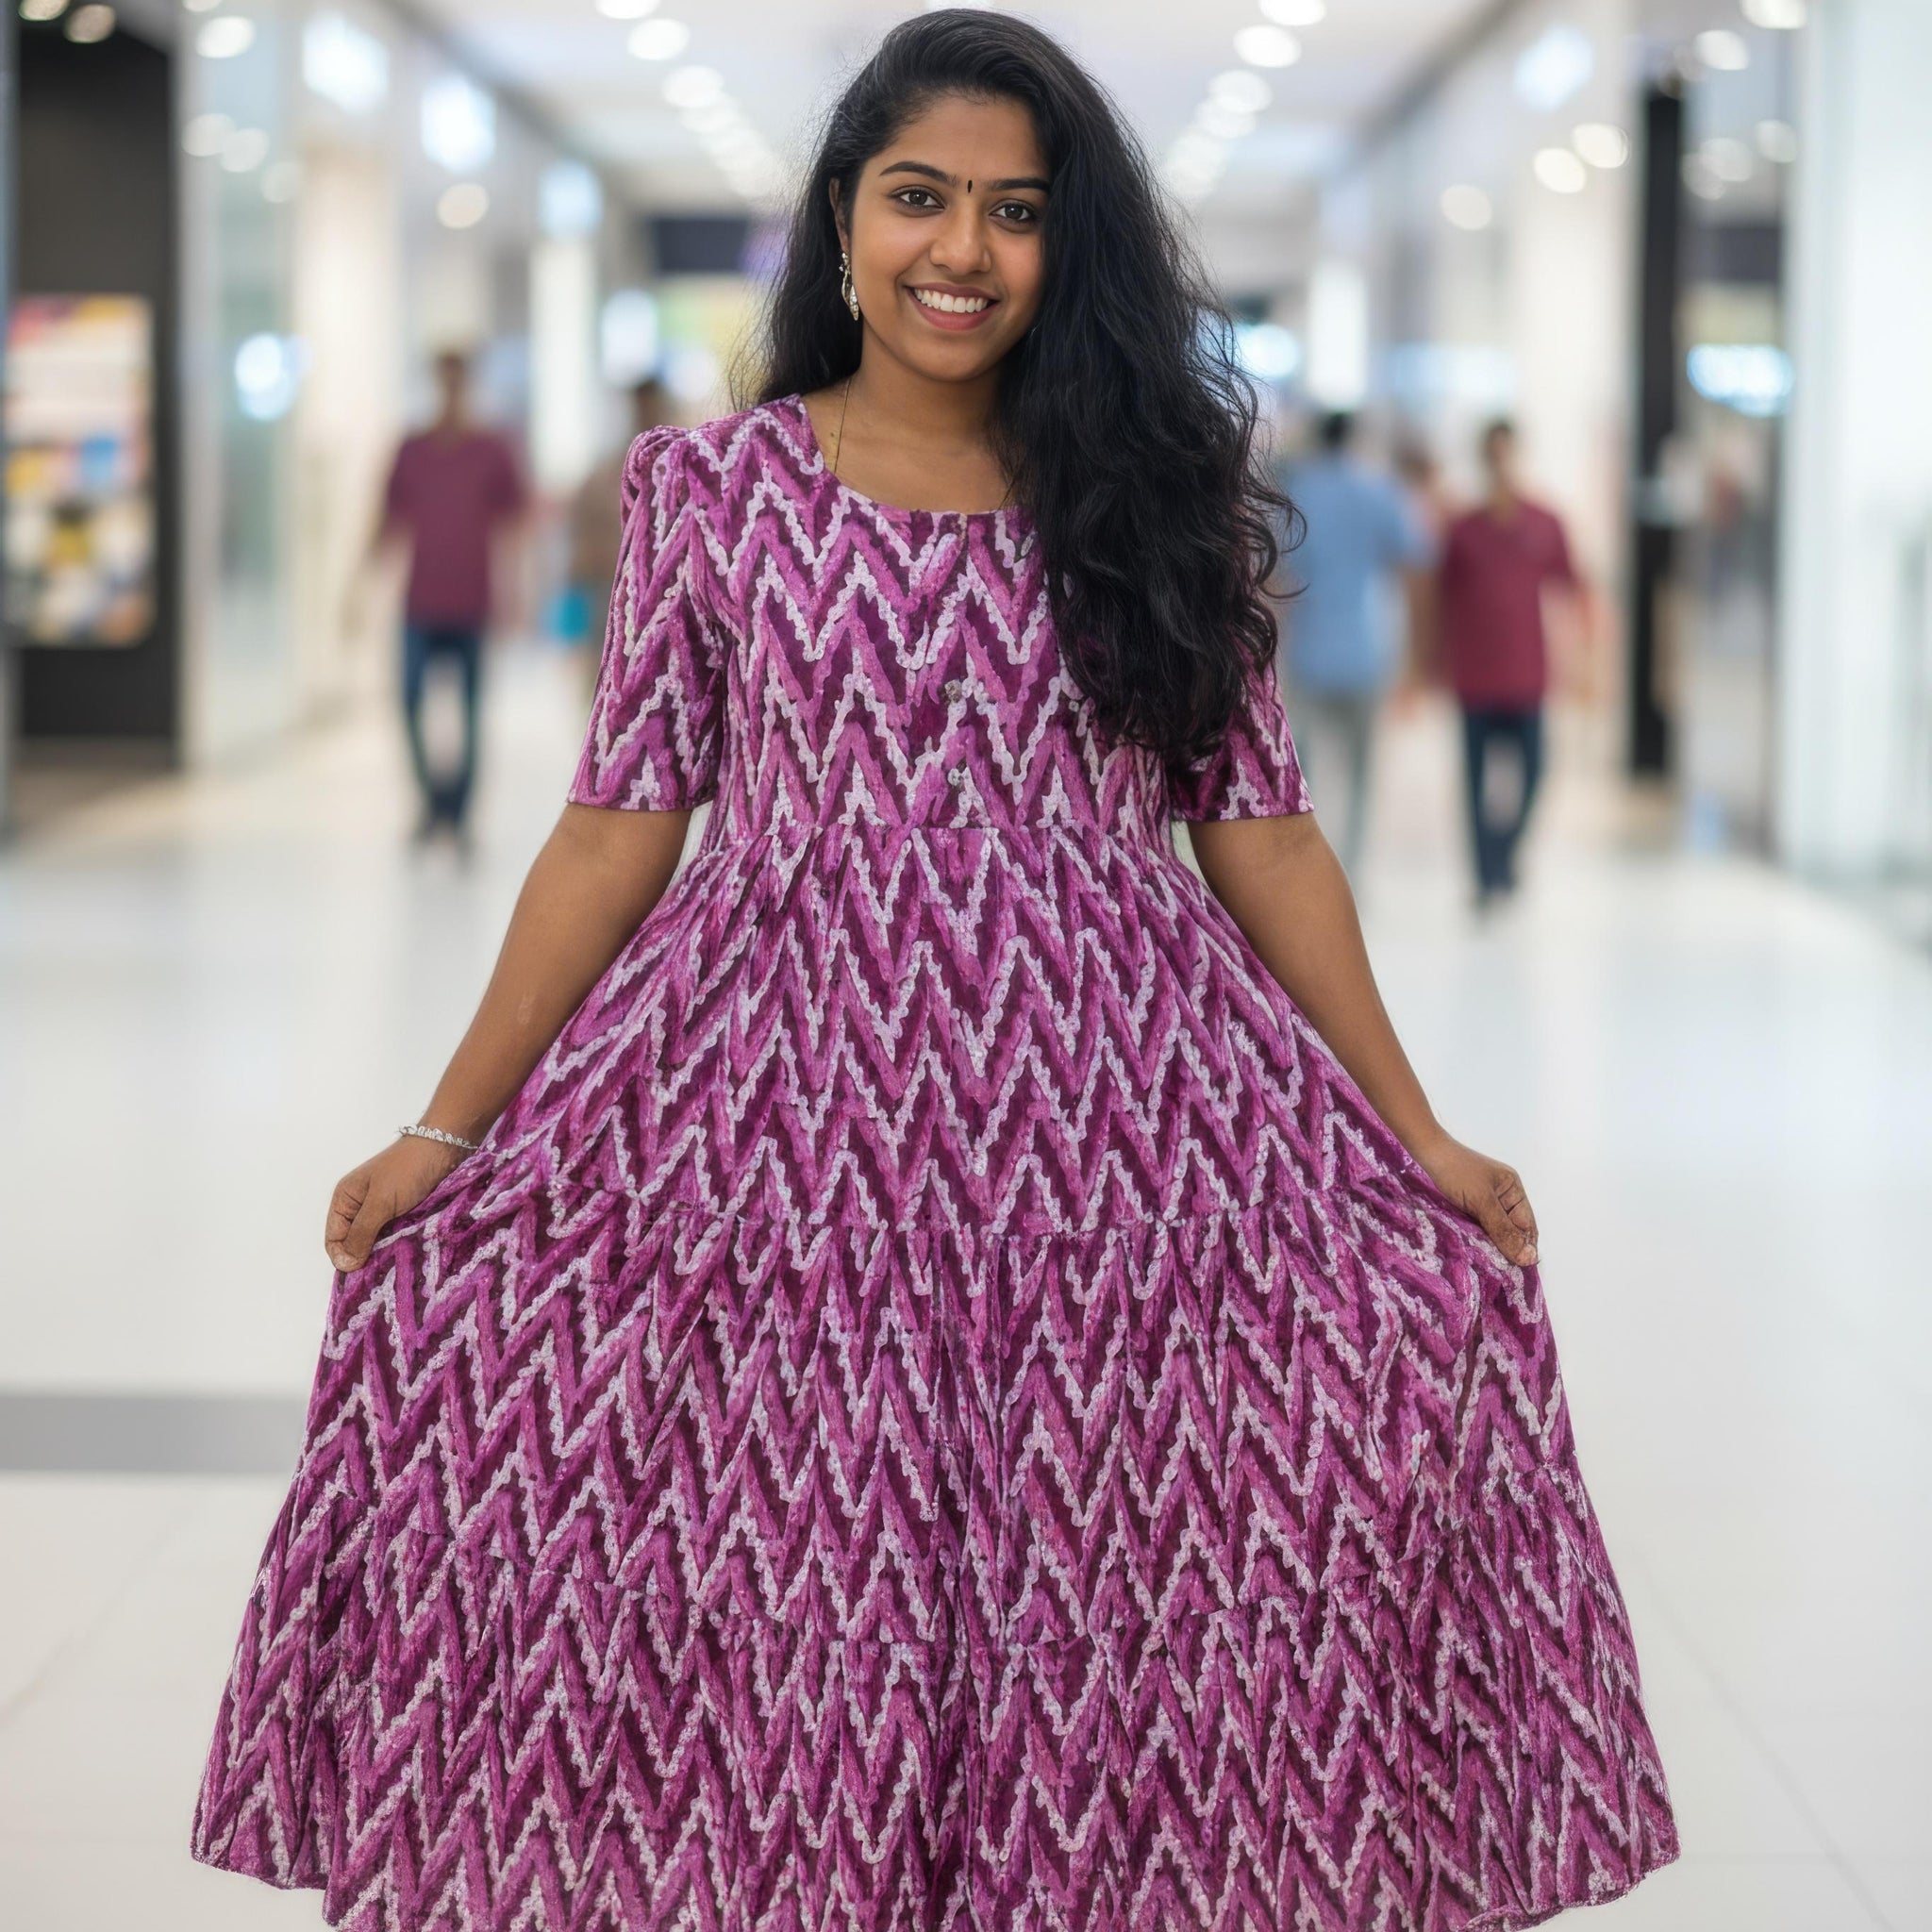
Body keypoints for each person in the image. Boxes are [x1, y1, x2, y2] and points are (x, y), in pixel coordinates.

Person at [190, 13, 1677, 1926]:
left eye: (1013, 211)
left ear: (1073, 251)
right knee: (798, 1568)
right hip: (768, 1104)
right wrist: (442, 1129)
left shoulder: (1152, 495)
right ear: (840, 217)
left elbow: (1264, 827)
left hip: (1125, 1106)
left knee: (1105, 1567)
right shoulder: (707, 490)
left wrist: (1417, 1134)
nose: (956, 249)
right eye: (915, 199)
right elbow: (617, 821)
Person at [364, 346, 528, 849]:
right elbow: (386, 520)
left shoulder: (491, 449)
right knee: (410, 701)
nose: (451, 390)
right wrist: (357, 590)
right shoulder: (412, 449)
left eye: (459, 381)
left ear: (469, 384)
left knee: (471, 711)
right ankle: (431, 802)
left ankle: (457, 815)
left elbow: (515, 525)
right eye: (444, 380)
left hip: (472, 601)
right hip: (420, 601)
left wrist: (516, 590)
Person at [1274, 410, 1434, 878]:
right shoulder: (1379, 492)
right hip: (1365, 648)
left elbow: (1273, 579)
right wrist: (1416, 661)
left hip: (1309, 649)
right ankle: (1352, 868)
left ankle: (1311, 866)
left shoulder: (1298, 493)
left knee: (1306, 773)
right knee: (1362, 769)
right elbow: (1416, 564)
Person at [1434, 418, 1586, 908]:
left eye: (1507, 452)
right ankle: (1485, 876)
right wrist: (1429, 665)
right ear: (1483, 458)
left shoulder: (1544, 522)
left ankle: (1505, 854)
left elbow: (1574, 589)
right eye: (1492, 453)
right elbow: (1441, 600)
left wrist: (1586, 663)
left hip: (1527, 673)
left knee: (1536, 770)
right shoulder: (1462, 528)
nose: (1500, 462)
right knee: (1476, 779)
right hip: (1476, 674)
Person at [565, 376, 674, 705]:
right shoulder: (608, 472)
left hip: (668, 597)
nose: (646, 410)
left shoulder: (689, 466)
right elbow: (581, 535)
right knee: (608, 690)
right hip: (612, 592)